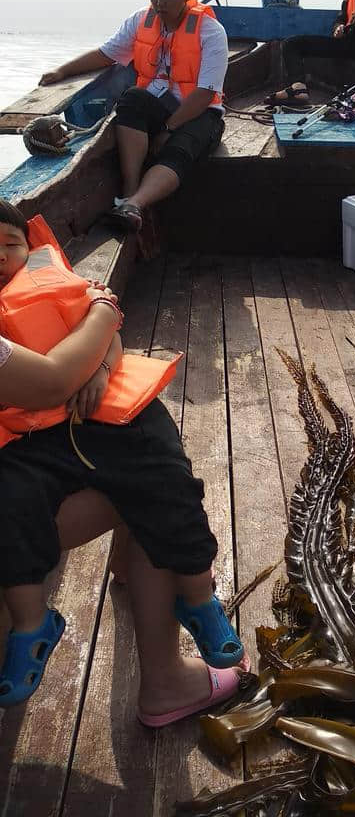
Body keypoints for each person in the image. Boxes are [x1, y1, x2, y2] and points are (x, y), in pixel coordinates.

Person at [0, 199, 248, 716]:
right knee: (149, 477)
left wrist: (101, 357)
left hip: (37, 441)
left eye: (10, 246)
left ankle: (180, 589)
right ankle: (165, 680)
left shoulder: (36, 282)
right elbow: (49, 383)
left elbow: (80, 350)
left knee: (133, 440)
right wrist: (106, 308)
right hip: (22, 472)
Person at [39, 0, 228, 234]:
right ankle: (128, 190)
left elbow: (203, 94)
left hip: (200, 112)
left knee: (178, 149)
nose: (159, 3)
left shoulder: (211, 32)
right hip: (159, 105)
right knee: (132, 99)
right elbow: (106, 54)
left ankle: (133, 206)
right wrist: (63, 71)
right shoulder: (141, 20)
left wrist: (167, 129)